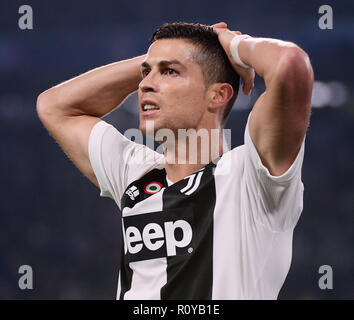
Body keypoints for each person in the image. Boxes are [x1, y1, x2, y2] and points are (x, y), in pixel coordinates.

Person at [36, 22, 313, 299]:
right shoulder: (136, 174)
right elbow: (54, 107)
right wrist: (154, 60)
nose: (144, 85)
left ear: (218, 95)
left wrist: (233, 47)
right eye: (145, 74)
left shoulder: (253, 179)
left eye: (170, 71)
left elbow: (289, 64)